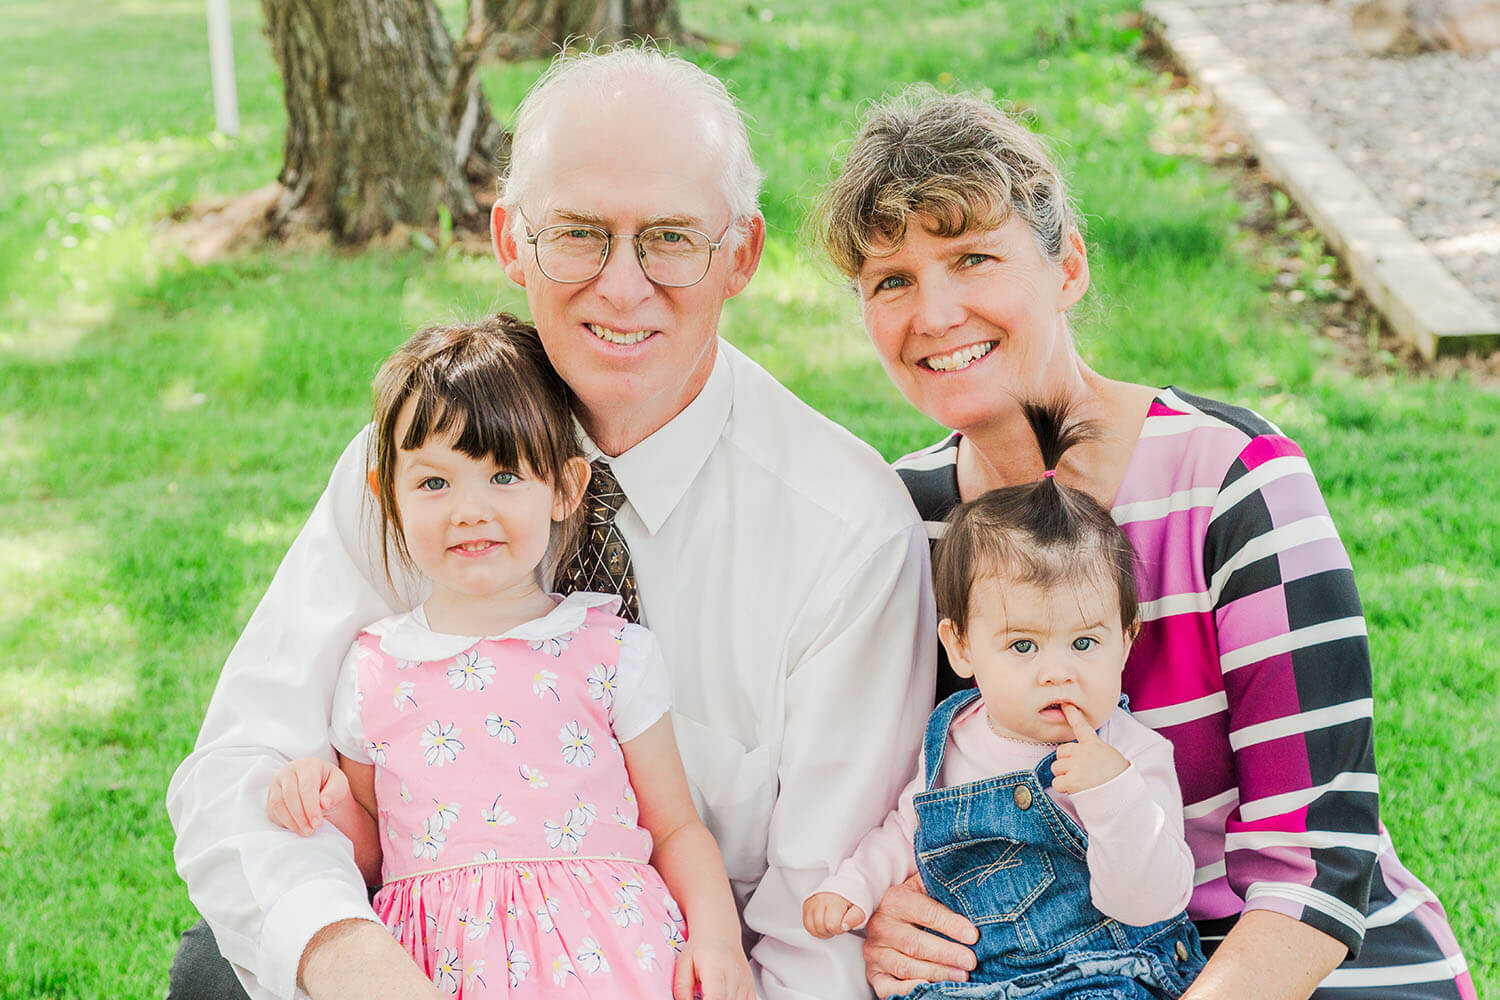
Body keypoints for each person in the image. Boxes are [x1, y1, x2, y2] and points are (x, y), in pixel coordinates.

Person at [166, 48, 935, 1000]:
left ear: (740, 255)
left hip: (674, 975)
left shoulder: (844, 530)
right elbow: (241, 764)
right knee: (221, 968)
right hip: (424, 962)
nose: (621, 285)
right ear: (509, 240)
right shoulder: (421, 466)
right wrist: (351, 961)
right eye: (577, 234)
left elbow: (818, 934)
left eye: (670, 238)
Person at [811, 87, 1474, 1000]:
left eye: (972, 259)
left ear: (1069, 267)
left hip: (1287, 960)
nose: (935, 314)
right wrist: (888, 914)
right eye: (893, 281)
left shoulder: (1235, 480)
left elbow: (1314, 870)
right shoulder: (900, 519)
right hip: (1039, 967)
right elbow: (899, 803)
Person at [262, 315, 752, 999]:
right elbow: (374, 852)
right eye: (434, 484)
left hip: (608, 955)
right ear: (388, 498)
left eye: (503, 477)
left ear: (564, 488)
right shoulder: (374, 669)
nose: (469, 510)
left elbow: (674, 826)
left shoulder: (608, 652)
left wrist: (715, 937)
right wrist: (331, 799)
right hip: (439, 964)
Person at [803, 402, 1205, 999]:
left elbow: (1150, 901)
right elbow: (904, 830)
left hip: (1105, 972)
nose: (1057, 672)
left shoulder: (1130, 756)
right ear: (961, 648)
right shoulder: (955, 735)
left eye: (1085, 642)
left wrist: (1112, 796)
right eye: (1022, 646)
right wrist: (852, 886)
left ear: (1126, 642)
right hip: (974, 979)